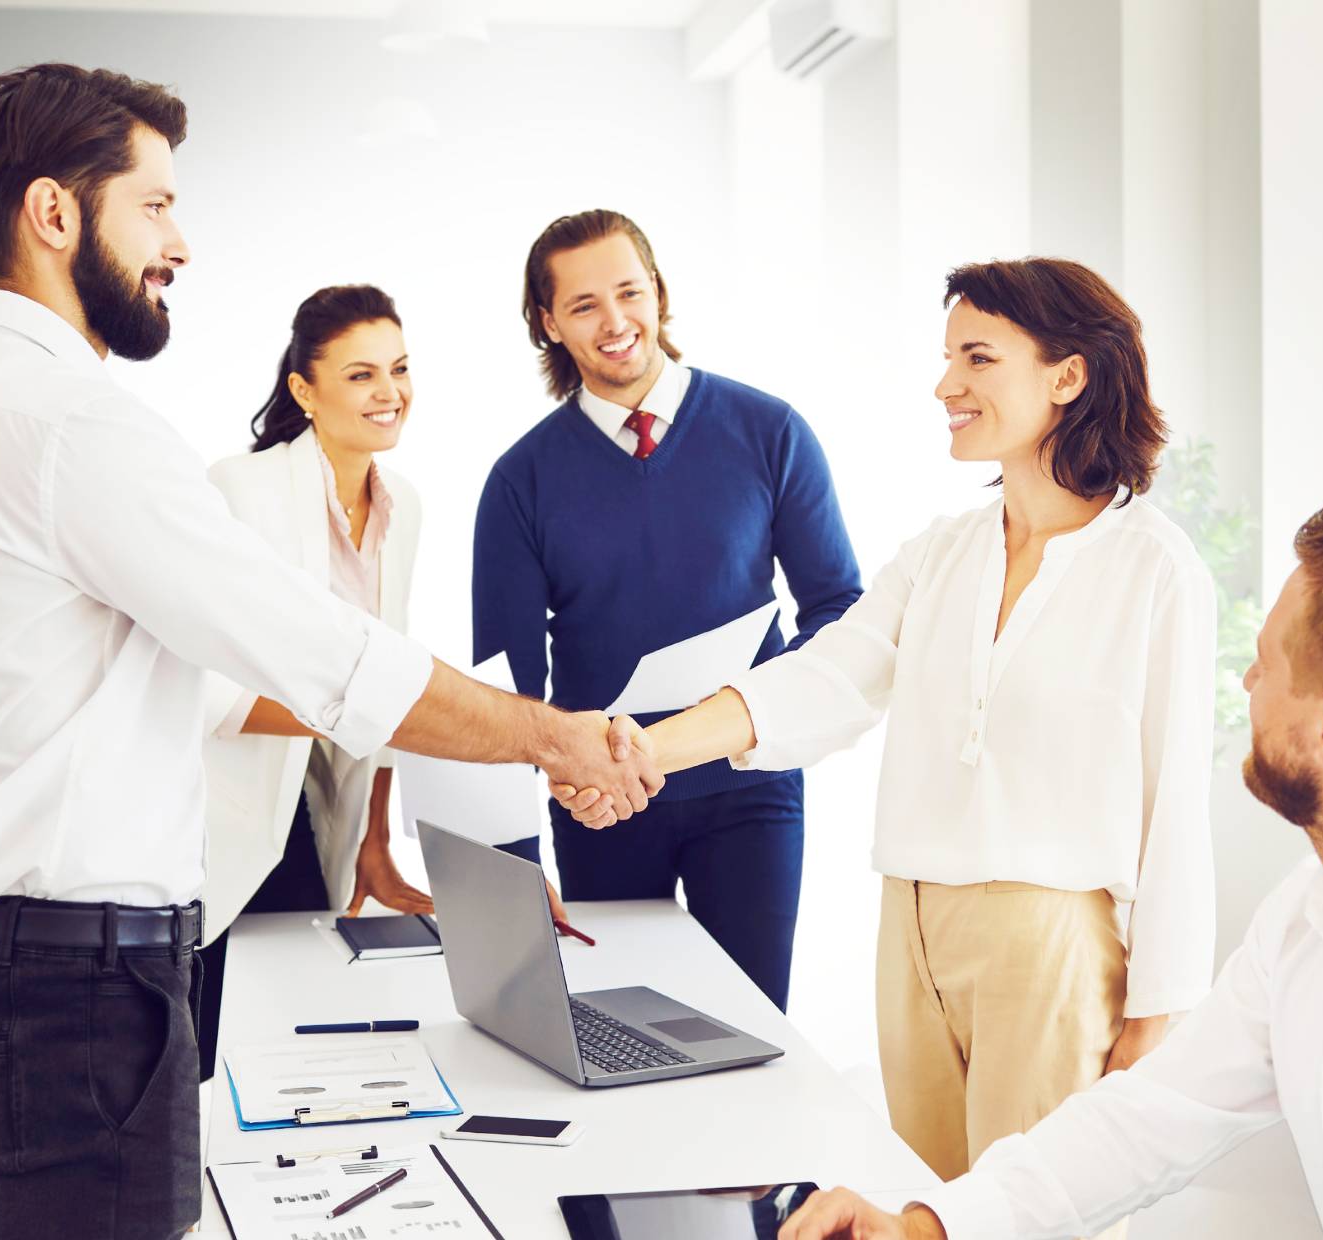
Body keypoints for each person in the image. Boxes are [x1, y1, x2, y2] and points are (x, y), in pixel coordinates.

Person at [0, 65, 659, 1240]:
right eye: (156, 205)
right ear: (54, 214)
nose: (180, 240)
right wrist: (555, 738)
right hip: (72, 994)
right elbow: (325, 659)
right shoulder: (74, 429)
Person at [559, 259, 1218, 1234]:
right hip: (909, 927)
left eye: (975, 358)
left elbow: (1175, 806)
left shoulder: (1151, 564)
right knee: (925, 1211)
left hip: (1047, 942)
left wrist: (1154, 1013)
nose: (944, 384)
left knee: (1025, 1217)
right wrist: (645, 750)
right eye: (945, 357)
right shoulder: (945, 549)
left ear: (1066, 376)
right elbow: (822, 677)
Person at [774, 506, 1323, 1240]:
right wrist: (923, 1226)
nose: (1246, 680)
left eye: (1268, 664)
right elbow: (1141, 1126)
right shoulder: (1305, 919)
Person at [473, 208, 863, 1012]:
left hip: (749, 791)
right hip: (602, 805)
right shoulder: (521, 482)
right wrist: (512, 862)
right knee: (622, 1030)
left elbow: (838, 615)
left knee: (752, 1033)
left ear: (659, 294)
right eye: (584, 306)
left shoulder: (770, 432)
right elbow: (505, 691)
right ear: (548, 324)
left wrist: (765, 717)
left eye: (630, 292)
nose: (616, 322)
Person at [194, 283, 434, 1082]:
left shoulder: (406, 508)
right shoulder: (242, 488)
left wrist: (375, 842)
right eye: (362, 375)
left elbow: (385, 670)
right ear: (304, 388)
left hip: (325, 805)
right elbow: (209, 685)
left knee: (296, 1035)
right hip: (237, 804)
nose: (390, 392)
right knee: (232, 1036)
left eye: (399, 369)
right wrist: (353, 715)